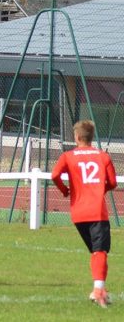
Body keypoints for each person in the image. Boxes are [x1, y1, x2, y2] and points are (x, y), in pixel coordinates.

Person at [50, 120, 117, 308]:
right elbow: (112, 182)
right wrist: (98, 191)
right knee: (100, 251)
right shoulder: (103, 156)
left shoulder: (67, 156)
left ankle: (99, 289)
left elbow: (55, 175)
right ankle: (98, 289)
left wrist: (65, 190)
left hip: (78, 213)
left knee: (96, 253)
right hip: (97, 212)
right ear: (90, 137)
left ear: (77, 137)